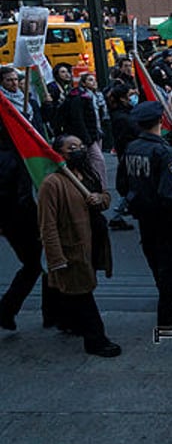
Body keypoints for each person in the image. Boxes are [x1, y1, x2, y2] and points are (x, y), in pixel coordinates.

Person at [38, 135, 120, 357]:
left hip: (93, 242)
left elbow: (106, 197)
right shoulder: (52, 184)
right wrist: (56, 259)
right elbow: (48, 226)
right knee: (82, 292)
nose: (79, 150)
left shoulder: (88, 173)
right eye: (71, 148)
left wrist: (99, 199)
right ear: (59, 154)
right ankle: (96, 340)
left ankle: (66, 321)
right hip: (71, 249)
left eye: (81, 146)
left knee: (79, 288)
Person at [124, 101, 172, 328]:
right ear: (161, 121)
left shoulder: (132, 148)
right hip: (165, 220)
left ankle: (168, 305)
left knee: (156, 264)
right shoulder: (165, 152)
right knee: (169, 269)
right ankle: (169, 316)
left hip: (144, 217)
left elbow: (123, 184)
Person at [0, 104, 47, 331]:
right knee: (39, 263)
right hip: (20, 217)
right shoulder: (14, 157)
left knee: (39, 263)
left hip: (13, 219)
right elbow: (20, 192)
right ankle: (7, 309)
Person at [107, 82, 139, 231]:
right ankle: (116, 215)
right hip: (129, 153)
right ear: (123, 98)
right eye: (130, 95)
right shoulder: (122, 117)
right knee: (132, 186)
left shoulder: (125, 113)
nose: (133, 97)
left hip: (128, 152)